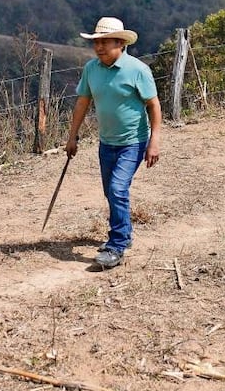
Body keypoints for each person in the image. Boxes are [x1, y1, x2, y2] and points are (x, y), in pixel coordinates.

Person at [66, 17, 161, 269]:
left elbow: (153, 105)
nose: (99, 47)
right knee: (110, 192)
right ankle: (125, 233)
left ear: (120, 43)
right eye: (96, 42)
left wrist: (154, 141)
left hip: (133, 141)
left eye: (104, 42)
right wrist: (72, 136)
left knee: (118, 189)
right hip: (106, 142)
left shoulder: (138, 70)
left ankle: (116, 246)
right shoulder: (91, 69)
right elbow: (82, 102)